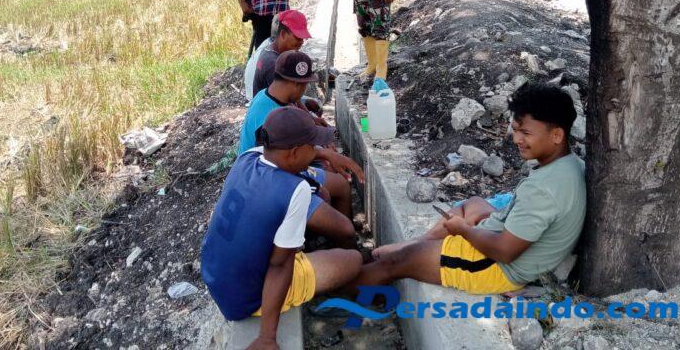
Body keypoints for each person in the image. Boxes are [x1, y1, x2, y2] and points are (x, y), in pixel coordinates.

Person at [351, 83, 585, 294]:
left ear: (557, 135)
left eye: (525, 133)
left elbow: (505, 252)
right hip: (506, 241)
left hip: (494, 267)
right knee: (473, 204)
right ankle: (420, 242)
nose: (516, 139)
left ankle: (341, 293)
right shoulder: (569, 165)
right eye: (515, 130)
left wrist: (464, 231)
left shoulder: (544, 190)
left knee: (399, 261)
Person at [202, 107, 363, 349]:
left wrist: (326, 155)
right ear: (295, 152)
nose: (316, 150)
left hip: (218, 275)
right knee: (353, 260)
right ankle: (346, 288)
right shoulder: (294, 190)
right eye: (312, 146)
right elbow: (279, 266)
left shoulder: (249, 157)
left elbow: (295, 166)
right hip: (248, 297)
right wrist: (267, 337)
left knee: (320, 194)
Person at [240, 50, 364, 248]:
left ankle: (339, 236)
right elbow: (279, 164)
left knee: (340, 184)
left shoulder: (271, 95)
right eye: (305, 85)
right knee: (327, 192)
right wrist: (323, 157)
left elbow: (289, 152)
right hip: (268, 180)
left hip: (277, 168)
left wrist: (325, 153)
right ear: (295, 85)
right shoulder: (269, 118)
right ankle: (340, 243)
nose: (304, 90)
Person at [252, 9, 311, 97]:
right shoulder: (273, 63)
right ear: (283, 34)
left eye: (303, 38)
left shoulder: (269, 49)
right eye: (298, 37)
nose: (301, 42)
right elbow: (286, 98)